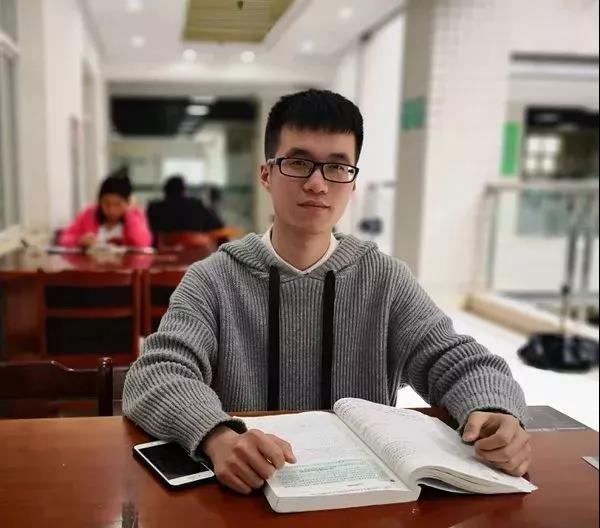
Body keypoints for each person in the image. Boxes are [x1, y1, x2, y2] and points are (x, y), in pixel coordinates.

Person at [123, 90, 531, 495]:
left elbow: (457, 360)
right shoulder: (212, 279)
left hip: (367, 498)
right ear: (266, 175)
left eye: (337, 167)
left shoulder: (384, 279)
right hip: (249, 494)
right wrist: (217, 436)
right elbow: (156, 372)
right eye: (299, 163)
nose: (317, 184)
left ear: (352, 183)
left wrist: (494, 410)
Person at [59, 168, 152, 248]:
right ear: (99, 201)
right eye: (106, 204)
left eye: (118, 204)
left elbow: (143, 243)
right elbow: (64, 238)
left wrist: (130, 214)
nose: (111, 210)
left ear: (127, 203)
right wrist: (80, 241)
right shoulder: (89, 213)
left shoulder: (135, 214)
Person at [146, 176, 224, 236]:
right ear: (183, 191)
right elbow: (217, 225)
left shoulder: (154, 208)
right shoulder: (195, 206)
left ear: (165, 191)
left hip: (163, 250)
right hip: (195, 250)